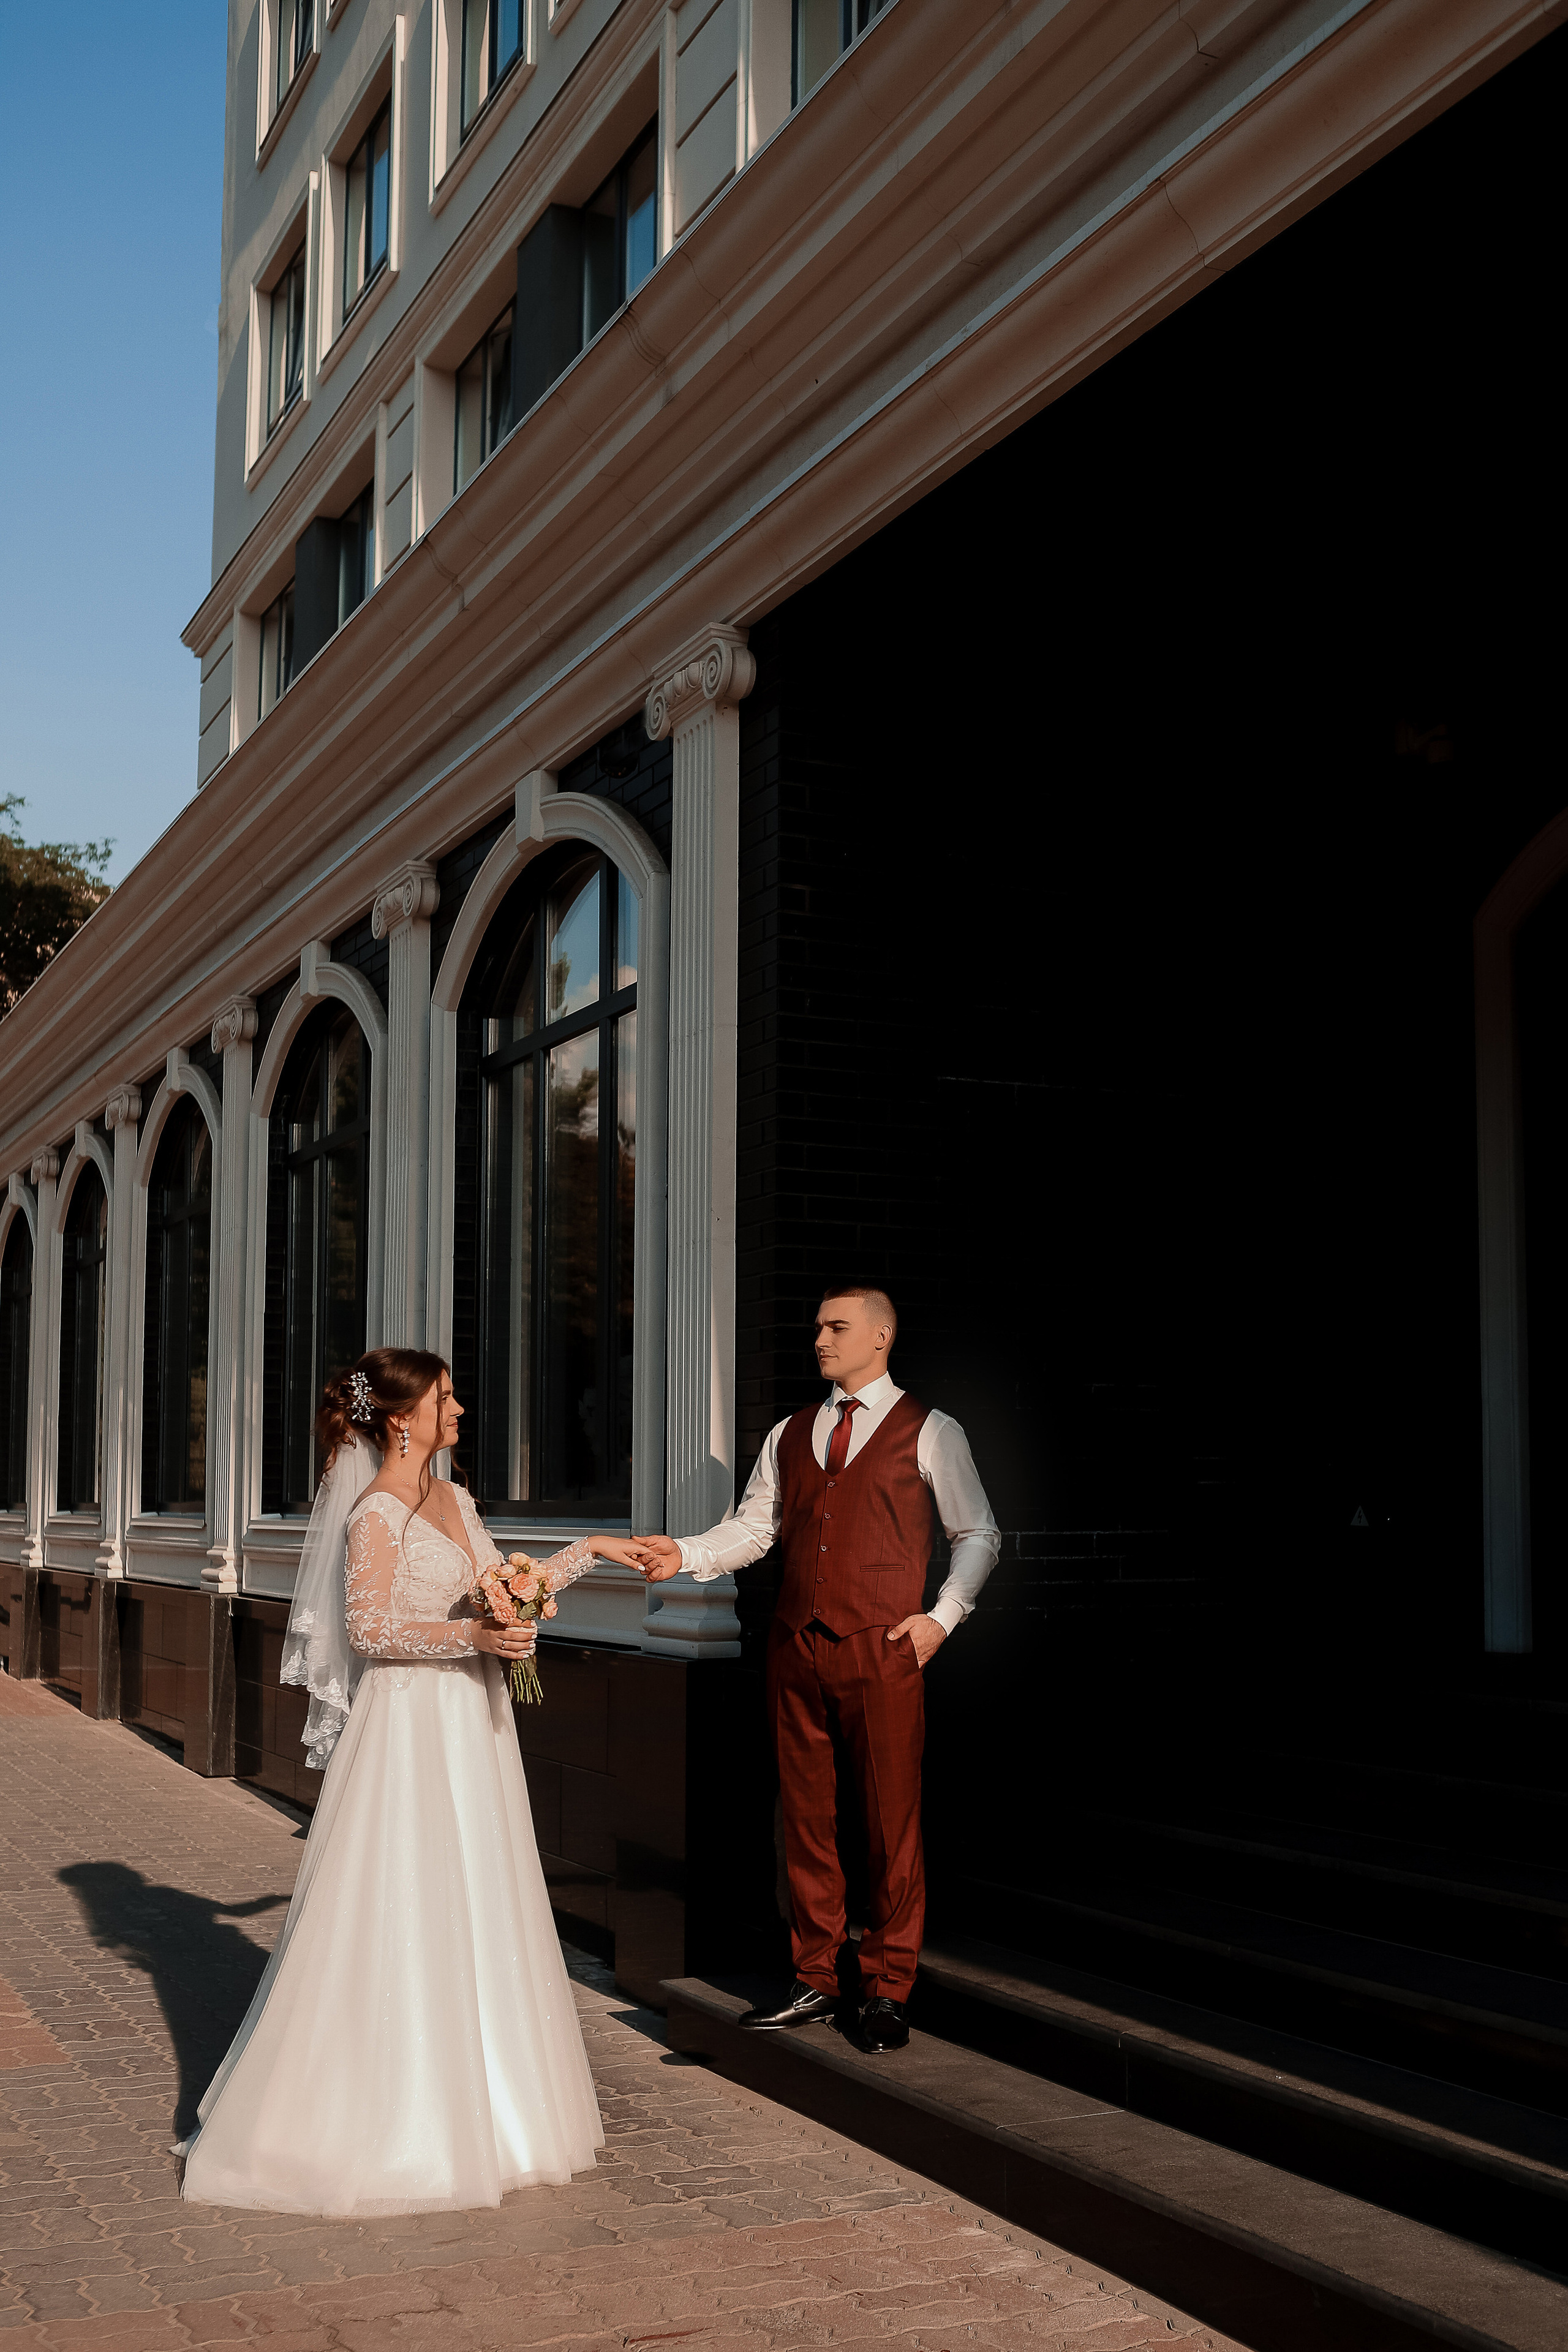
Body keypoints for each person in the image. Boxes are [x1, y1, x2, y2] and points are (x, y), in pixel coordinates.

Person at [179, 1346, 650, 2215]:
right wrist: (476, 1639)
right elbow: (368, 1630)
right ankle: (394, 2122)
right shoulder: (376, 1513)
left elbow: (508, 1581)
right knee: (408, 1901)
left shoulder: (456, 1497)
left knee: (479, 1901)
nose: (461, 1411)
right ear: (405, 1417)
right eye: (448, 1397)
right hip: (411, 1730)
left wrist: (594, 1550)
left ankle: (498, 2110)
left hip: (474, 1727)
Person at [637, 1286, 998, 2051]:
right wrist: (685, 1556)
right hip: (795, 1649)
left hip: (884, 1647)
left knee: (888, 1822)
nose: (820, 1341)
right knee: (804, 1820)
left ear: (881, 1335)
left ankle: (887, 1990)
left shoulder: (932, 1430)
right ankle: (815, 1978)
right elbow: (752, 1529)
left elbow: (979, 1535)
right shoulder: (791, 1431)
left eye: (837, 1328)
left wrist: (941, 1618)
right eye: (817, 1328)